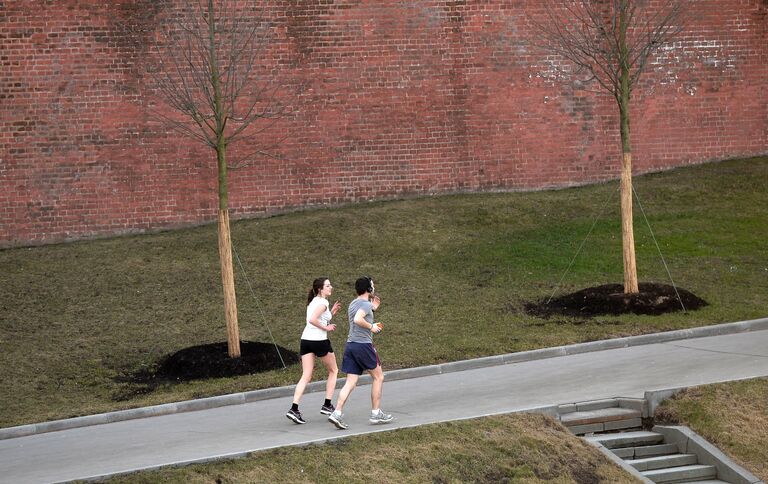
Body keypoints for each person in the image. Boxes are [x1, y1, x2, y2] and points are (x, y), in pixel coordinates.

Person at [328, 276, 393, 429]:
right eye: (372, 285)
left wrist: (373, 307)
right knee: (379, 377)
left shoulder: (354, 303)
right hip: (363, 346)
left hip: (351, 345)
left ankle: (336, 413)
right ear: (368, 289)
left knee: (351, 381)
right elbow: (358, 319)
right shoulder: (364, 304)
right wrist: (371, 327)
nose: (374, 288)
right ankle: (376, 414)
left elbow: (360, 313)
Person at [286, 277, 342, 424]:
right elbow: (313, 320)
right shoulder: (323, 302)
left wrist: (332, 313)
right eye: (328, 286)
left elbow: (319, 318)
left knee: (306, 375)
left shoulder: (313, 302)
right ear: (320, 289)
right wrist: (327, 328)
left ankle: (294, 409)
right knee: (334, 370)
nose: (331, 287)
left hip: (306, 341)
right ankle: (327, 405)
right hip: (319, 341)